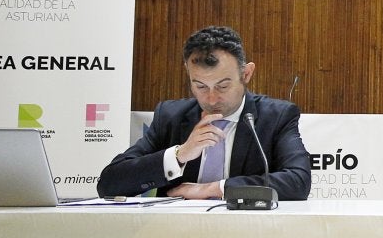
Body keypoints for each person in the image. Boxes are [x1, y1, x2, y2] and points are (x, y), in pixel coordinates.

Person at [97, 26, 312, 200]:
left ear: (246, 74)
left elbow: (298, 181)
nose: (211, 99)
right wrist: (179, 155)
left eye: (222, 86)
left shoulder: (276, 116)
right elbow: (108, 184)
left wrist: (214, 189)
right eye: (200, 86)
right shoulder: (171, 117)